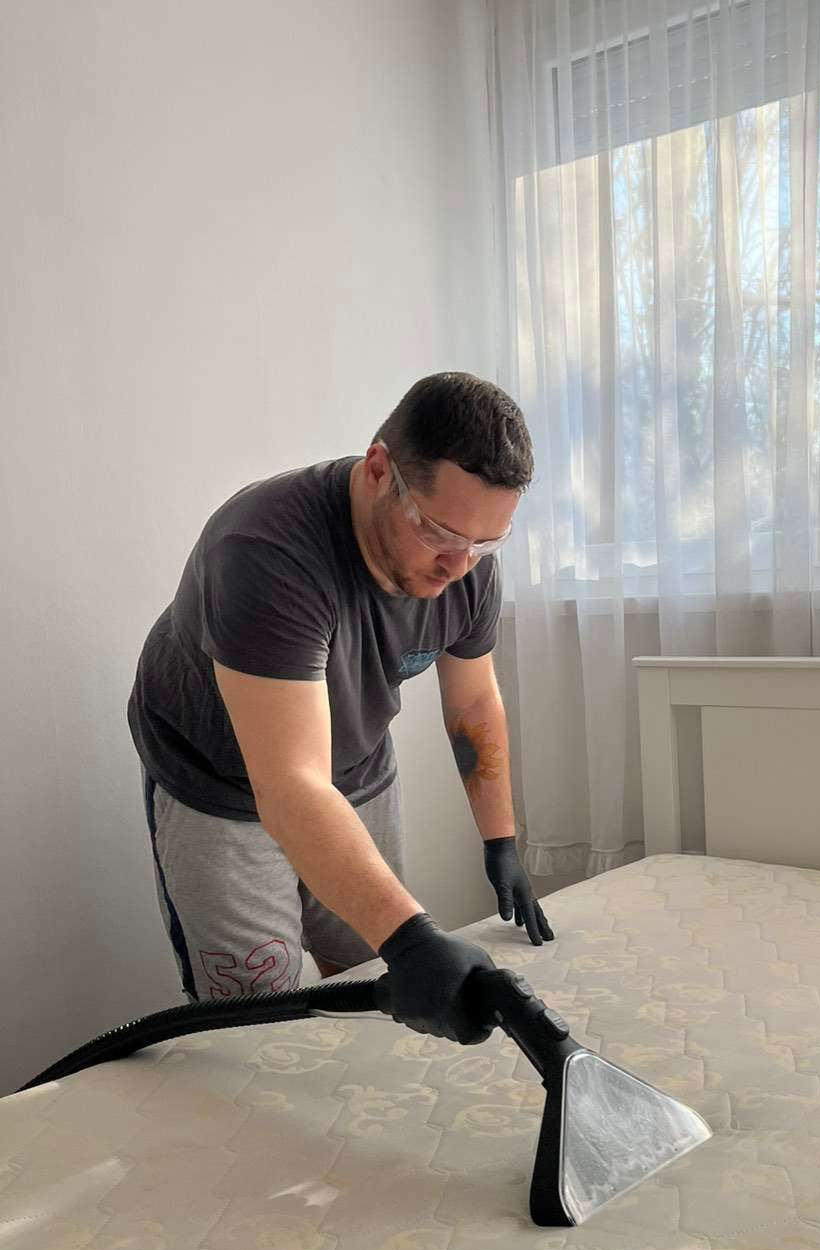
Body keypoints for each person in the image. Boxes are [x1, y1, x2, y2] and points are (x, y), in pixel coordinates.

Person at [128, 372, 553, 1048]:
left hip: (355, 767)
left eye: (486, 543)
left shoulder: (465, 561)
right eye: (440, 532)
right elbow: (290, 785)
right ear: (379, 470)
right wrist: (413, 938)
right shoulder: (264, 550)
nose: (459, 565)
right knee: (258, 1014)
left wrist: (500, 840)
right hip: (221, 786)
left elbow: (473, 699)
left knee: (374, 973)